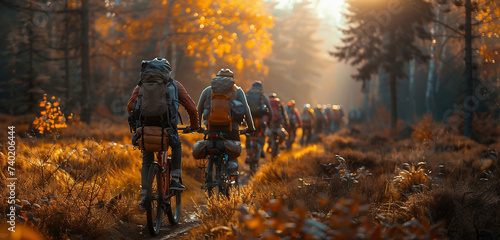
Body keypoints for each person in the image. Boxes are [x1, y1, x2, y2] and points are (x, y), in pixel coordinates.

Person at [127, 58, 199, 209]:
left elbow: (130, 106)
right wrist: (194, 126)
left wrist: (137, 124)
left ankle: (145, 194)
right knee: (177, 146)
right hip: (167, 130)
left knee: (147, 158)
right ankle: (175, 179)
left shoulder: (141, 86)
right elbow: (192, 108)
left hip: (146, 130)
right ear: (167, 72)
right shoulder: (174, 85)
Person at [197, 69, 255, 176]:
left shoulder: (208, 90)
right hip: (231, 129)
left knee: (212, 147)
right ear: (232, 80)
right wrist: (250, 127)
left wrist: (198, 126)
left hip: (211, 128)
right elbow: (246, 110)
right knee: (233, 150)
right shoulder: (237, 91)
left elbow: (199, 109)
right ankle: (232, 165)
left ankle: (210, 176)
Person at [245, 81, 273, 159]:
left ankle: (248, 153)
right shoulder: (263, 96)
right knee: (262, 134)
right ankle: (261, 149)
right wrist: (269, 123)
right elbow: (270, 112)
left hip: (249, 121)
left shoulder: (247, 95)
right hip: (260, 121)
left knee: (248, 136)